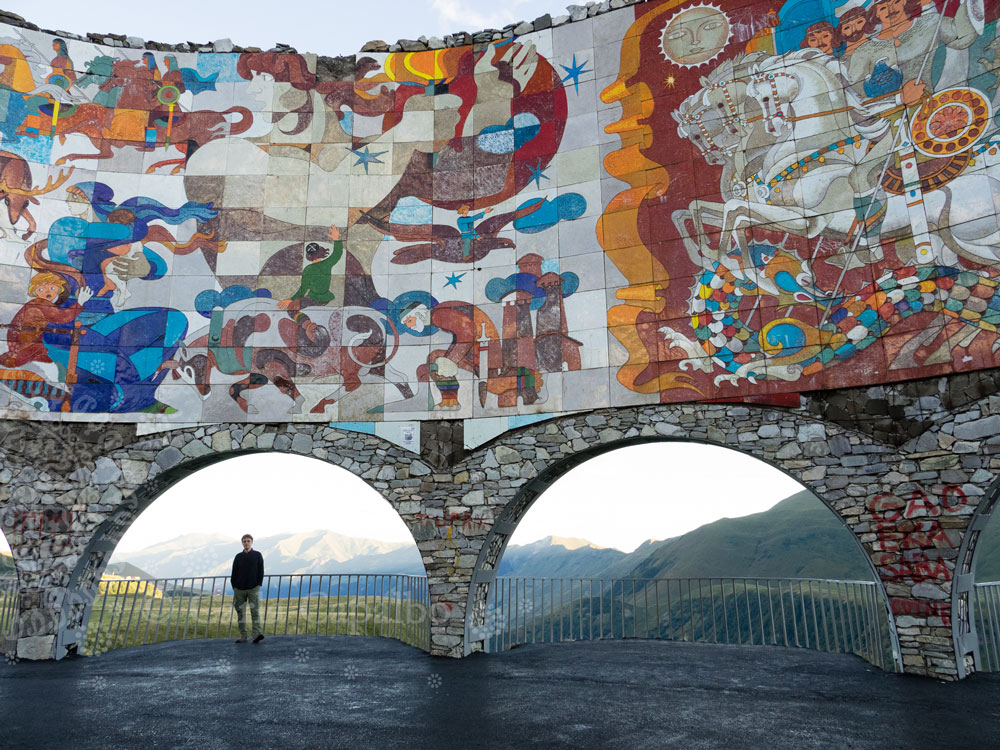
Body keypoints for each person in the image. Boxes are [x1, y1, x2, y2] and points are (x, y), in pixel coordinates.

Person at [231, 534, 265, 644]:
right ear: (242, 543)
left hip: (253, 588)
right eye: (244, 541)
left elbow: (261, 570)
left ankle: (256, 635)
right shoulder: (238, 557)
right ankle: (243, 636)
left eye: (248, 541)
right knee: (240, 613)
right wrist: (234, 586)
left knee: (255, 612)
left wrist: (258, 584)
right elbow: (234, 572)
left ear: (252, 542)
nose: (246, 543)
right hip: (239, 589)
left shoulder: (257, 555)